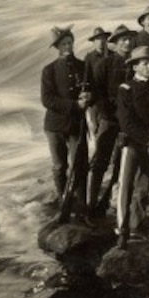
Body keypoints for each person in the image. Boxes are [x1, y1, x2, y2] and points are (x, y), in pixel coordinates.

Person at [116, 45, 149, 247]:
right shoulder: (125, 89)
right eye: (145, 63)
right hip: (132, 145)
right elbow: (126, 123)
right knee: (125, 188)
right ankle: (122, 230)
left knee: (144, 188)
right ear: (136, 67)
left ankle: (136, 226)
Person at [41, 26, 91, 222]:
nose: (68, 46)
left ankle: (81, 208)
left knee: (80, 164)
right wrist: (74, 104)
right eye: (64, 44)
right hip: (54, 126)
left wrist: (89, 97)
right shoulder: (49, 70)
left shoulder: (82, 66)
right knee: (60, 166)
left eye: (70, 43)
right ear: (57, 47)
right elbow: (47, 100)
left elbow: (91, 90)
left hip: (77, 124)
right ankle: (64, 203)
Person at [86, 24, 132, 218]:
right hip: (109, 119)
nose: (127, 43)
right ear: (115, 43)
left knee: (121, 165)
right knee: (99, 164)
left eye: (129, 39)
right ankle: (90, 205)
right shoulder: (104, 65)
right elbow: (96, 93)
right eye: (123, 40)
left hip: (128, 123)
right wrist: (108, 112)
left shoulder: (135, 64)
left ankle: (106, 202)